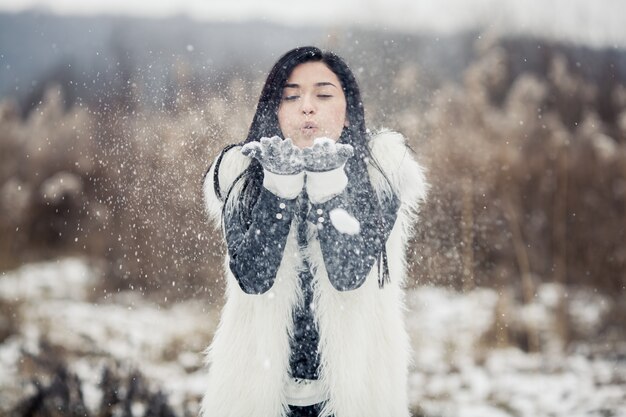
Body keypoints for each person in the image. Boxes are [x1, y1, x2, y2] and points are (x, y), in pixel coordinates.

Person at [201, 46, 427, 417]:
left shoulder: (381, 174)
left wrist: (327, 184)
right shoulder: (241, 175)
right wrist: (278, 186)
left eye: (323, 94)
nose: (307, 106)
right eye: (291, 96)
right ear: (274, 110)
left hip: (356, 394)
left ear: (349, 110)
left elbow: (348, 274)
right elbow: (254, 277)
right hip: (255, 395)